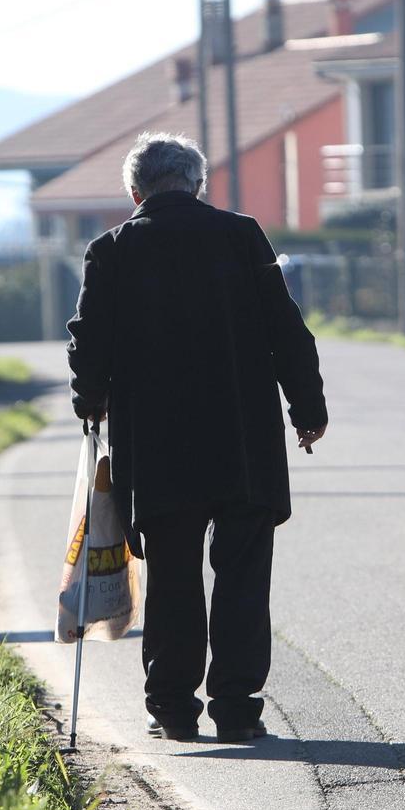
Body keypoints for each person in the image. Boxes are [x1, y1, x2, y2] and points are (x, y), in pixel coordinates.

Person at [66, 132, 327, 743]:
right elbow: (287, 330)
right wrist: (307, 409)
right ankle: (237, 710)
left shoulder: (112, 250)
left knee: (175, 579)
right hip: (242, 441)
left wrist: (91, 402)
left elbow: (89, 340)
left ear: (136, 192)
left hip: (159, 450)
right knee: (241, 579)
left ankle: (174, 711)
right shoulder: (242, 237)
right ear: (198, 184)